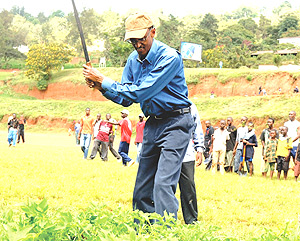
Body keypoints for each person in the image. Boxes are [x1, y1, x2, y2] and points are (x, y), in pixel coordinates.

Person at [83, 12, 193, 221]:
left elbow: (141, 92)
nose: (137, 44)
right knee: (143, 185)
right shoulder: (133, 60)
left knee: (163, 183)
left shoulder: (169, 57)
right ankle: (143, 229)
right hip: (153, 123)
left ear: (152, 32)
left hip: (176, 122)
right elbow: (125, 97)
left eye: (141, 38)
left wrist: (104, 79)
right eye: (132, 40)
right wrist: (100, 87)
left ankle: (165, 232)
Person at [178, 102, 204, 224]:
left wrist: (199, 148)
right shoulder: (165, 101)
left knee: (188, 186)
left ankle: (191, 220)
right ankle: (166, 218)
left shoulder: (191, 106)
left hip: (187, 153)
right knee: (166, 187)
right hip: (166, 153)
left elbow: (197, 127)